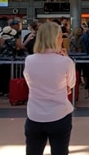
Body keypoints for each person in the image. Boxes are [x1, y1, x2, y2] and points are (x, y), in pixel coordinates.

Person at [23, 21, 76, 155]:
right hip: (59, 115)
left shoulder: (29, 60)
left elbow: (30, 83)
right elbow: (72, 83)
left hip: (34, 115)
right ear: (57, 38)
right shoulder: (65, 61)